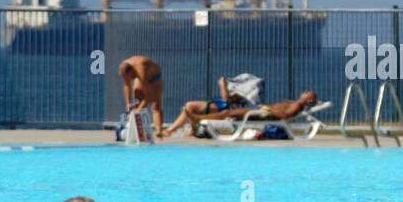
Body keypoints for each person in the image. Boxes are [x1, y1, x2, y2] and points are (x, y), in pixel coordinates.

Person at [171, 90, 319, 137]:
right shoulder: (295, 103)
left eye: (307, 93)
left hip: (262, 114)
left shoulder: (297, 105)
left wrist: (268, 109)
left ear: (309, 99)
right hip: (262, 111)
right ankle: (198, 118)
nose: (304, 92)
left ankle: (198, 118)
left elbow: (285, 116)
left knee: (228, 113)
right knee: (228, 112)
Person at [161, 76, 249, 137]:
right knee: (187, 108)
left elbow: (226, 100)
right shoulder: (238, 89)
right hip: (219, 105)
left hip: (223, 107)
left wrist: (222, 85)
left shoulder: (243, 92)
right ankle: (176, 130)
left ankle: (180, 130)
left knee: (189, 106)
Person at [118, 55, 165, 137]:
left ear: (132, 72)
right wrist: (128, 103)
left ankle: (159, 133)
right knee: (136, 103)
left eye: (130, 77)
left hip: (154, 78)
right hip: (140, 79)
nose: (130, 80)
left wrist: (139, 109)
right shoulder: (123, 68)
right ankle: (136, 131)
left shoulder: (142, 69)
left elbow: (148, 96)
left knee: (155, 106)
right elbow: (127, 85)